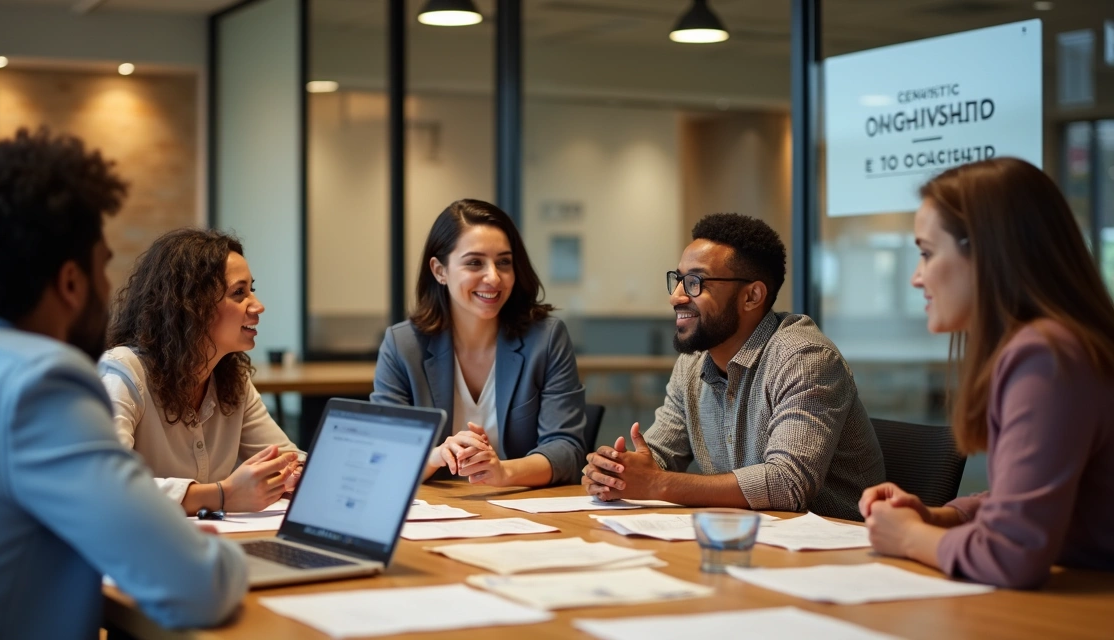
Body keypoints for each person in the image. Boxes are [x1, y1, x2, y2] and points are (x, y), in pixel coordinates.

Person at [0, 129, 246, 639]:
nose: (110, 288)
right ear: (70, 282)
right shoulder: (39, 384)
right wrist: (225, 556)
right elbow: (197, 587)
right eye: (103, 265)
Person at [859, 157, 1114, 588]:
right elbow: (1028, 495)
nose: (916, 278)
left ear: (985, 252)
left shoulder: (1047, 355)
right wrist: (938, 517)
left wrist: (908, 537)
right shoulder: (1052, 346)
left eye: (926, 253)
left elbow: (1009, 554)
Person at [581, 213, 885, 521]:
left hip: (837, 550)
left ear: (751, 296)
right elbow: (657, 457)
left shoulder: (805, 358)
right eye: (678, 280)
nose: (676, 297)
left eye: (695, 282)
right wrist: (615, 471)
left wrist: (657, 484)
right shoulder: (692, 363)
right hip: (745, 537)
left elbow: (787, 484)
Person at [372, 199, 587, 486]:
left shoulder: (546, 339)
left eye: (504, 262)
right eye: (475, 262)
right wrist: (435, 456)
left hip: (518, 510)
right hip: (433, 513)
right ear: (440, 271)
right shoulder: (403, 345)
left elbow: (567, 450)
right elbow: (382, 456)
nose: (493, 277)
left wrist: (504, 471)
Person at [101, 228, 302, 516]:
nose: (258, 306)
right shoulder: (123, 372)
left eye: (251, 291)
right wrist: (223, 495)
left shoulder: (233, 379)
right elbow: (104, 485)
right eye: (239, 293)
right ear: (192, 305)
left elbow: (285, 458)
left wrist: (295, 474)